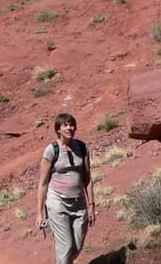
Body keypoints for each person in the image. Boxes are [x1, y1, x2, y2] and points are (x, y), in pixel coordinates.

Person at [36, 113, 95, 264]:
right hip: (57, 203)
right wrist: (40, 213)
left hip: (79, 203)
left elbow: (87, 178)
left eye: (71, 125)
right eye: (65, 125)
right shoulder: (51, 150)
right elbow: (42, 184)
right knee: (65, 246)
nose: (69, 128)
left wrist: (91, 206)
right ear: (58, 129)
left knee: (77, 244)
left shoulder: (82, 148)